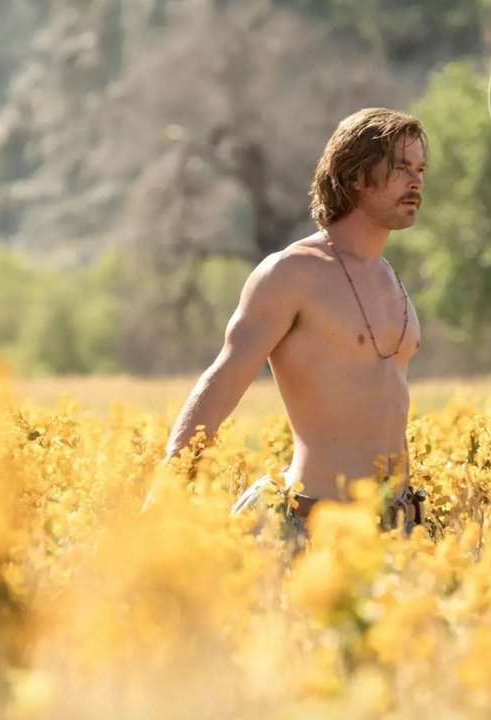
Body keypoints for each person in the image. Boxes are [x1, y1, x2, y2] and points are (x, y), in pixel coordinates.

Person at [142, 107, 428, 540]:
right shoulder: (292, 273)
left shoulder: (391, 278)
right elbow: (223, 380)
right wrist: (168, 488)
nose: (416, 181)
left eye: (420, 169)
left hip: (396, 528)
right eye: (401, 167)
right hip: (312, 528)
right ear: (356, 175)